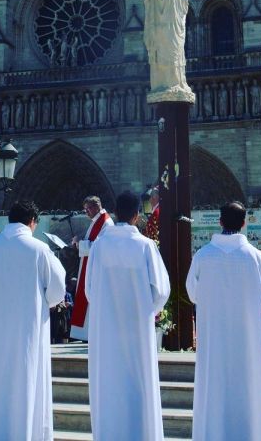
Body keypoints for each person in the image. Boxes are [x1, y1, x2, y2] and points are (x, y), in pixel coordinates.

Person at [0, 199, 66, 441]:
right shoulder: (39, 249)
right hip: (27, 330)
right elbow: (57, 290)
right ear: (32, 221)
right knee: (26, 380)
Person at [186, 201, 261, 440]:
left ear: (220, 221)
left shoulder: (203, 255)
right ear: (245, 223)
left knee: (214, 383)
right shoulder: (254, 256)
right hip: (248, 336)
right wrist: (250, 305)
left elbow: (192, 292)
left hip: (214, 333)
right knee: (248, 383)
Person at [86, 189, 170, 441]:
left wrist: (106, 308)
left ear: (115, 213)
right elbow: (161, 289)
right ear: (136, 216)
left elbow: (89, 289)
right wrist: (147, 310)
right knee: (138, 381)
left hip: (106, 328)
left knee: (109, 380)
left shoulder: (99, 246)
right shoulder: (144, 246)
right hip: (137, 327)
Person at [68, 195, 113, 340]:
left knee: (91, 303)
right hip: (89, 268)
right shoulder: (96, 221)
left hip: (97, 272)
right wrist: (80, 243)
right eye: (85, 209)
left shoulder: (106, 223)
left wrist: (79, 243)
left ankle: (91, 334)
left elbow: (102, 248)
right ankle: (87, 334)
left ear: (96, 207)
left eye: (88, 209)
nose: (86, 212)